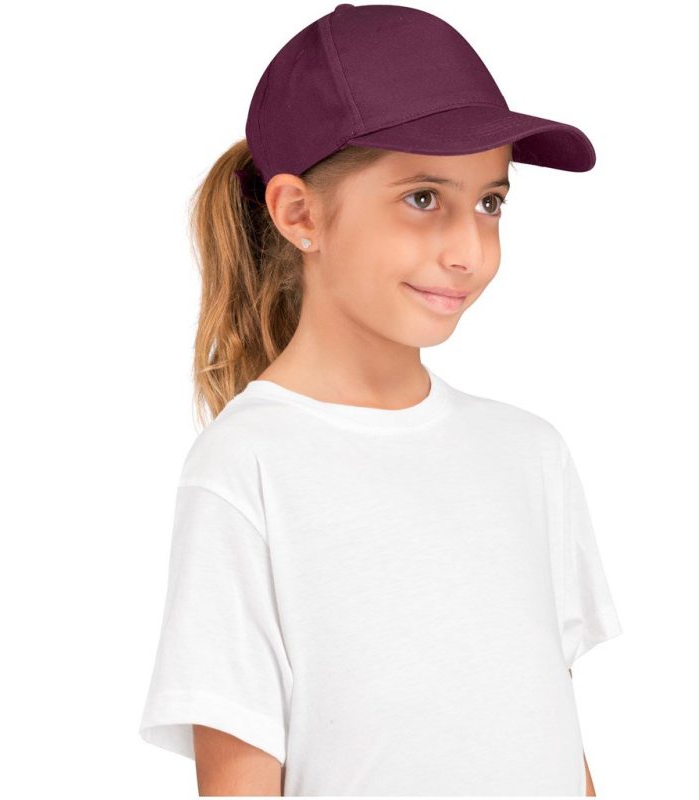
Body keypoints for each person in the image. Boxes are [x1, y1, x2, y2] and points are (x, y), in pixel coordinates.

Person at [137, 3, 623, 796]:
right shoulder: (249, 465)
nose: (468, 250)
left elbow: (554, 741)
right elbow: (239, 779)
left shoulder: (529, 453)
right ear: (300, 214)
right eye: (424, 198)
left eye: (491, 202)